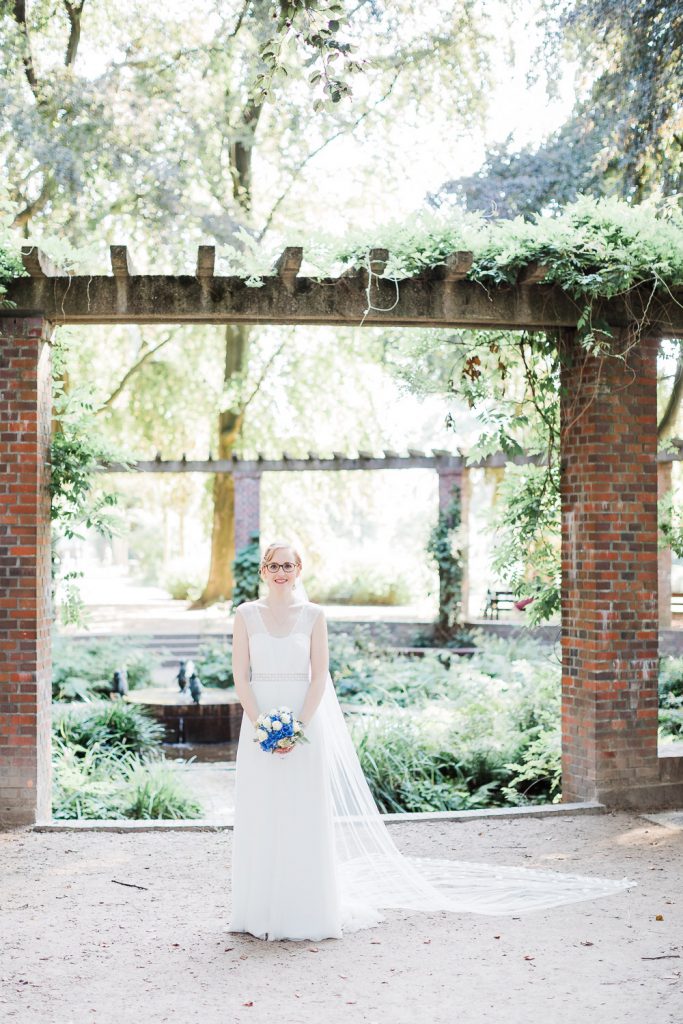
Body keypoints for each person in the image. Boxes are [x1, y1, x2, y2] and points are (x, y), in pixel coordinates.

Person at [226, 539, 637, 943]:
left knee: (301, 814)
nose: (280, 573)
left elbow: (320, 677)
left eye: (288, 565)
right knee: (262, 810)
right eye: (273, 566)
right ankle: (258, 909)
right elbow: (240, 676)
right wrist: (262, 723)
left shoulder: (315, 616)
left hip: (304, 725)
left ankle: (301, 912)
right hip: (257, 724)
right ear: (264, 571)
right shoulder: (245, 615)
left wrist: (296, 726)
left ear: (299, 570)